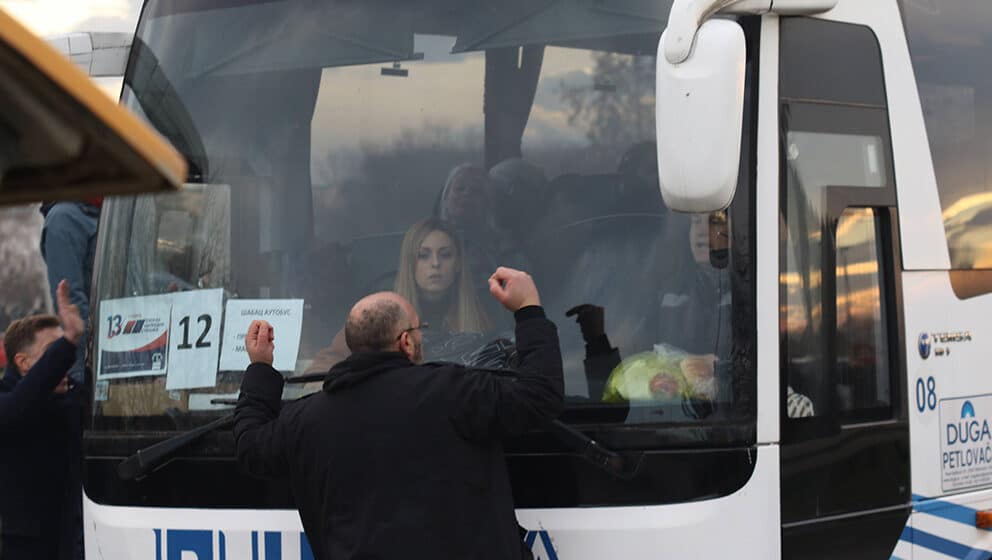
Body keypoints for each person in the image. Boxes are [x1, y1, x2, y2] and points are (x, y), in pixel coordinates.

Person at [234, 266, 564, 560]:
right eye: (421, 331)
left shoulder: (307, 419)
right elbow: (539, 398)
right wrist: (529, 311)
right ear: (406, 342)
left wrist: (261, 368)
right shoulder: (455, 391)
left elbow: (251, 447)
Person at [306, 218, 491, 372]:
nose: (435, 263)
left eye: (445, 255)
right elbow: (324, 366)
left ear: (458, 263)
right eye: (423, 255)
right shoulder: (380, 316)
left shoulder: (483, 318)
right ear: (410, 263)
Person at [0, 280, 85, 560]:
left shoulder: (72, 396)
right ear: (23, 363)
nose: (64, 363)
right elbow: (18, 408)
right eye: (53, 352)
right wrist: (69, 342)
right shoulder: (9, 401)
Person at [39, 200, 100, 384]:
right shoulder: (65, 219)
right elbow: (71, 305)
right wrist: (78, 383)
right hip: (97, 362)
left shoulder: (121, 210)